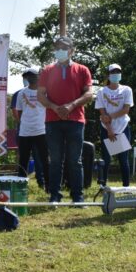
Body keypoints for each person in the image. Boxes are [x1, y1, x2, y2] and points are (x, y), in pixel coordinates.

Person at [37, 36, 93, 204]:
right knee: (55, 160)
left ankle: (78, 197)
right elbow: (40, 95)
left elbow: (89, 94)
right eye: (57, 47)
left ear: (71, 50)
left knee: (75, 160)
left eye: (64, 47)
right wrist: (55, 108)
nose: (60, 50)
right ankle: (55, 196)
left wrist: (71, 106)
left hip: (76, 120)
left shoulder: (83, 69)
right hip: (52, 121)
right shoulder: (47, 70)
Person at [95, 64, 133, 186]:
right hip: (106, 128)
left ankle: (126, 186)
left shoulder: (126, 89)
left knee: (123, 159)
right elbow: (102, 111)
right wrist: (110, 130)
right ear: (108, 75)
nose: (116, 74)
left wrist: (110, 117)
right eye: (113, 72)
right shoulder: (102, 91)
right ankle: (103, 184)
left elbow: (126, 109)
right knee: (106, 159)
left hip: (122, 127)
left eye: (118, 71)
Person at [15, 67, 49, 191]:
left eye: (33, 75)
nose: (30, 78)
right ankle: (20, 187)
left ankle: (47, 186)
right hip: (25, 132)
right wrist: (25, 123)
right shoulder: (21, 93)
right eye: (28, 76)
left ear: (39, 76)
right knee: (23, 160)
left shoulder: (45, 92)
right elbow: (19, 111)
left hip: (41, 130)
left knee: (44, 159)